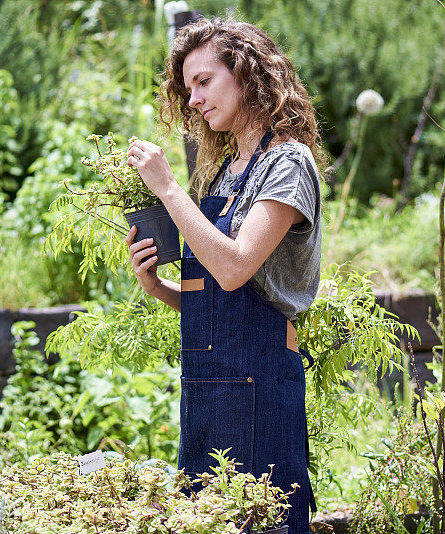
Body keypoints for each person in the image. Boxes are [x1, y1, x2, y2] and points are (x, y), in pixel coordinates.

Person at [124, 17, 323, 534]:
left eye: (204, 81)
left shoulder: (288, 163)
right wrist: (157, 286)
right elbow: (215, 298)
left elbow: (235, 267)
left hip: (259, 387)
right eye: (188, 88)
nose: (193, 100)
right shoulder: (222, 172)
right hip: (205, 392)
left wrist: (169, 189)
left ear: (246, 73)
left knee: (263, 524)